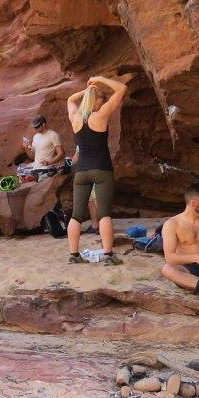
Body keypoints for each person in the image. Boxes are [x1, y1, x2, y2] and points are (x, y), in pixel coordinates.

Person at [65, 75, 128, 266]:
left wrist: (87, 91)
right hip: (101, 169)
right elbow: (121, 89)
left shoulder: (75, 118)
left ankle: (74, 255)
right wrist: (100, 79)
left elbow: (70, 100)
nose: (103, 102)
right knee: (104, 214)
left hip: (81, 171)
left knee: (76, 215)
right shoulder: (100, 116)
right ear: (98, 100)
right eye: (102, 99)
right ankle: (108, 255)